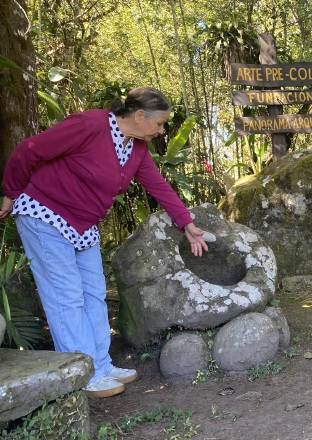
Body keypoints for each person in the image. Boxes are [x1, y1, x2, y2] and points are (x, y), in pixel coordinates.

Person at [0, 87, 209, 398]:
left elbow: (158, 186)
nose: (162, 130)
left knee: (94, 293)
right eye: (160, 123)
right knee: (65, 296)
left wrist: (187, 224)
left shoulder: (136, 148)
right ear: (140, 116)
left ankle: (100, 363)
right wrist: (11, 192)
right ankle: (81, 373)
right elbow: (29, 150)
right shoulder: (89, 125)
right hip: (44, 214)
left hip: (83, 223)